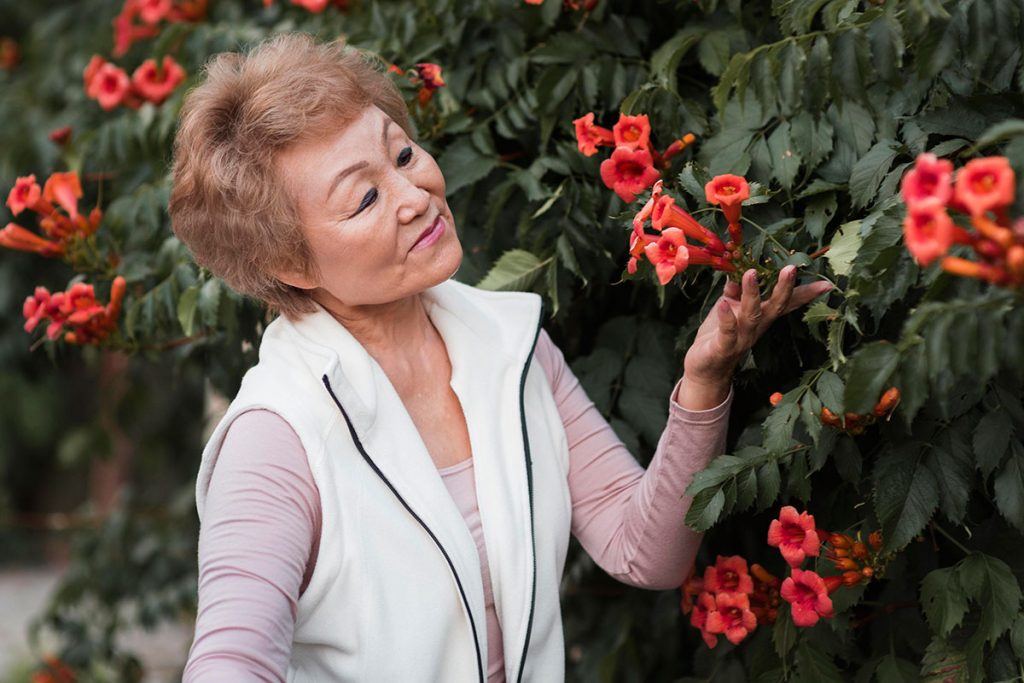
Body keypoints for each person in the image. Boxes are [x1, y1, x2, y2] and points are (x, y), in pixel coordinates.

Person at [168, 33, 831, 683]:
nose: (413, 195)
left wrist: (704, 381)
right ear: (290, 262)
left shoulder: (510, 342)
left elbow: (645, 552)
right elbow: (230, 662)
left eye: (401, 154)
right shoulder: (276, 436)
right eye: (364, 198)